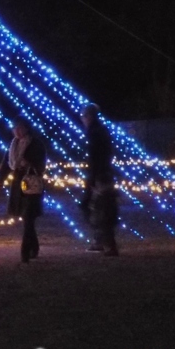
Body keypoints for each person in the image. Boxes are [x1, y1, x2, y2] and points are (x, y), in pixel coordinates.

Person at [0, 117, 47, 263]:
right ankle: (34, 247)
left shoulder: (35, 143)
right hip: (19, 183)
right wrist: (0, 179)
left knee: (28, 216)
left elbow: (41, 163)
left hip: (32, 183)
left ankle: (25, 252)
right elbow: (7, 163)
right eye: (15, 128)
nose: (17, 131)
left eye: (20, 128)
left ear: (26, 128)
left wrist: (29, 163)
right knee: (27, 218)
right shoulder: (13, 144)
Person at [81, 104, 118, 256]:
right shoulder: (101, 131)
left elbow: (95, 158)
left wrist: (93, 178)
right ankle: (101, 241)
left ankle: (107, 244)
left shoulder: (95, 133)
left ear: (89, 117)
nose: (83, 120)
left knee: (99, 209)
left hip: (100, 176)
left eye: (83, 116)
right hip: (104, 173)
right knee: (99, 208)